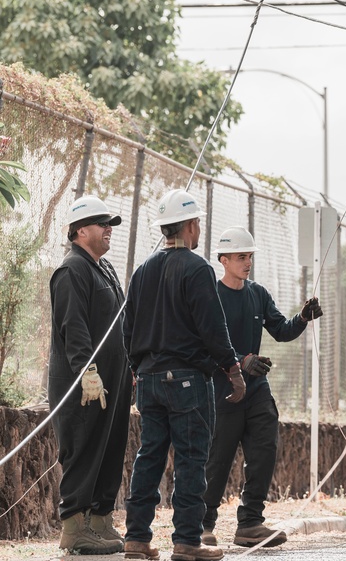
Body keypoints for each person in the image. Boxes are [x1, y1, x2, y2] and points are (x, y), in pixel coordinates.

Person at [122, 189, 247, 561]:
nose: (198, 230)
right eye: (198, 224)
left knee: (149, 457)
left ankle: (137, 538)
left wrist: (136, 368)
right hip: (187, 381)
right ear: (191, 225)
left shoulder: (143, 270)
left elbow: (128, 328)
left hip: (148, 379)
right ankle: (187, 541)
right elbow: (213, 326)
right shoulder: (197, 268)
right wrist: (233, 369)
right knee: (192, 459)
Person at [201, 227, 324, 549]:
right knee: (218, 458)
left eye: (250, 256)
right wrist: (240, 361)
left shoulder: (258, 293)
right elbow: (203, 346)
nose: (247, 262)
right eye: (241, 257)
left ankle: (250, 523)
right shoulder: (210, 298)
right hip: (223, 391)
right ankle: (203, 525)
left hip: (257, 391)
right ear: (223, 260)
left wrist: (303, 317)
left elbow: (281, 331)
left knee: (264, 451)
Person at [48, 195, 130, 554]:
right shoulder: (72, 270)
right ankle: (74, 529)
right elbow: (74, 327)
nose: (109, 229)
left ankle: (100, 520)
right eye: (102, 223)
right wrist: (89, 372)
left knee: (108, 448)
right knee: (83, 449)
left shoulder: (103, 268)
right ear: (81, 230)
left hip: (114, 379)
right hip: (84, 383)